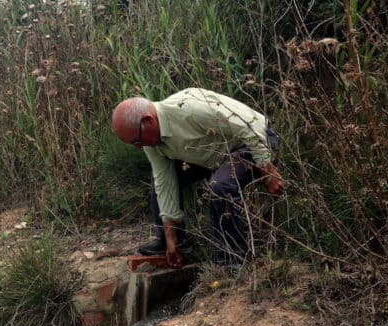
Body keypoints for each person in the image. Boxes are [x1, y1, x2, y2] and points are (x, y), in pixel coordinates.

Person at [111, 88, 284, 268]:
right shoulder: (149, 139)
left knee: (220, 185)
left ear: (148, 120)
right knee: (158, 183)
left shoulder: (189, 109)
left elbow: (250, 126)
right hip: (212, 157)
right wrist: (171, 237)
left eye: (136, 141)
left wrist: (268, 171)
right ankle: (175, 245)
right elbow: (165, 181)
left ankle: (232, 260)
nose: (138, 147)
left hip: (252, 142)